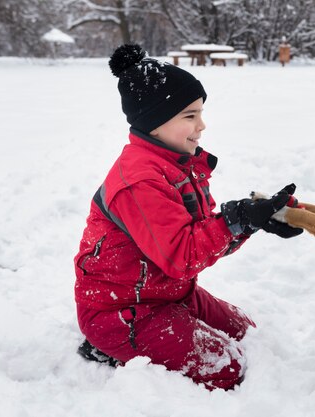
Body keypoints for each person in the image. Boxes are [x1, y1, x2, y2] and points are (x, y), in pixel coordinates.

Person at [74, 44, 302, 390]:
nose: (202, 125)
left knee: (247, 333)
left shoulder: (177, 165)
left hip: (168, 294)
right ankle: (111, 346)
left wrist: (252, 221)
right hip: (122, 312)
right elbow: (182, 256)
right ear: (155, 122)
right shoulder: (140, 181)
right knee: (228, 367)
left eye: (201, 113)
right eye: (190, 116)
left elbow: (202, 236)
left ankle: (151, 336)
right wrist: (235, 218)